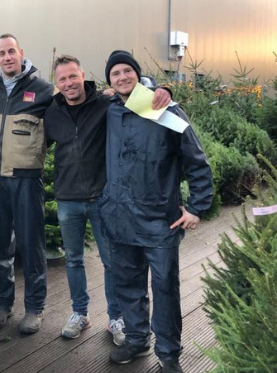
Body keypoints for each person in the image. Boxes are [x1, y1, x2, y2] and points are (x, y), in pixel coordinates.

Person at [100, 50, 212, 373]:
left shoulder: (163, 108)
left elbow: (196, 159)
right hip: (120, 218)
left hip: (159, 220)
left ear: (137, 73)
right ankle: (136, 340)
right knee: (127, 284)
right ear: (110, 81)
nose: (121, 78)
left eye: (126, 71)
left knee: (164, 288)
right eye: (115, 74)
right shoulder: (110, 110)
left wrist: (196, 207)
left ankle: (168, 354)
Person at [44, 54, 170, 342]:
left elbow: (149, 101)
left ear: (82, 75)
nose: (68, 83)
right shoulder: (51, 111)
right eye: (62, 79)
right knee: (73, 259)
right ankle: (80, 313)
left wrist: (162, 89)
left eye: (72, 76)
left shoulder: (106, 102)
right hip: (67, 198)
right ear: (57, 83)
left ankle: (116, 318)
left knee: (111, 261)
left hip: (103, 197)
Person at [0, 34, 56, 334]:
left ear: (21, 53)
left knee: (31, 244)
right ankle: (3, 305)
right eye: (1, 53)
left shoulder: (43, 91)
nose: (7, 57)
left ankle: (34, 308)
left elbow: (73, 108)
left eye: (11, 51)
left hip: (26, 181)